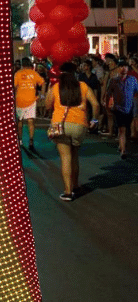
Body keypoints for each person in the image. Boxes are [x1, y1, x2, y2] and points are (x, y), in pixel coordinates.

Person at [45, 62, 99, 201]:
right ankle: (75, 185)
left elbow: (46, 105)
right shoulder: (83, 86)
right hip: (79, 125)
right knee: (74, 156)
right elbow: (95, 104)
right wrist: (94, 120)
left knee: (65, 158)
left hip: (60, 125)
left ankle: (68, 192)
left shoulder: (56, 87)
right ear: (75, 73)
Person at [106, 59, 138, 159]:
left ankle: (121, 145)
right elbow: (108, 94)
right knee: (121, 130)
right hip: (118, 109)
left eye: (125, 66)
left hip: (130, 108)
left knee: (126, 129)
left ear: (128, 68)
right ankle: (123, 151)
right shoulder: (113, 80)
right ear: (118, 68)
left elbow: (136, 91)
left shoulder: (133, 80)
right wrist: (107, 105)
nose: (123, 68)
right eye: (121, 66)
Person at [14, 57, 46, 149]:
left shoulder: (18, 74)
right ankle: (31, 140)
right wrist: (42, 95)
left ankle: (20, 140)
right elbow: (43, 83)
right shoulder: (34, 73)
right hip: (31, 100)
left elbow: (14, 86)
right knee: (30, 121)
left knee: (20, 122)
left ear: (22, 65)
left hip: (19, 100)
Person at [78, 59, 100, 127]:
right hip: (83, 95)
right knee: (85, 110)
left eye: (85, 65)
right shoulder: (81, 76)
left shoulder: (94, 76)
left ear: (89, 66)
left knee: (93, 110)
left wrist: (95, 97)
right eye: (83, 66)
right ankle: (85, 124)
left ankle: (93, 125)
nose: (83, 67)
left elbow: (95, 88)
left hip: (91, 95)